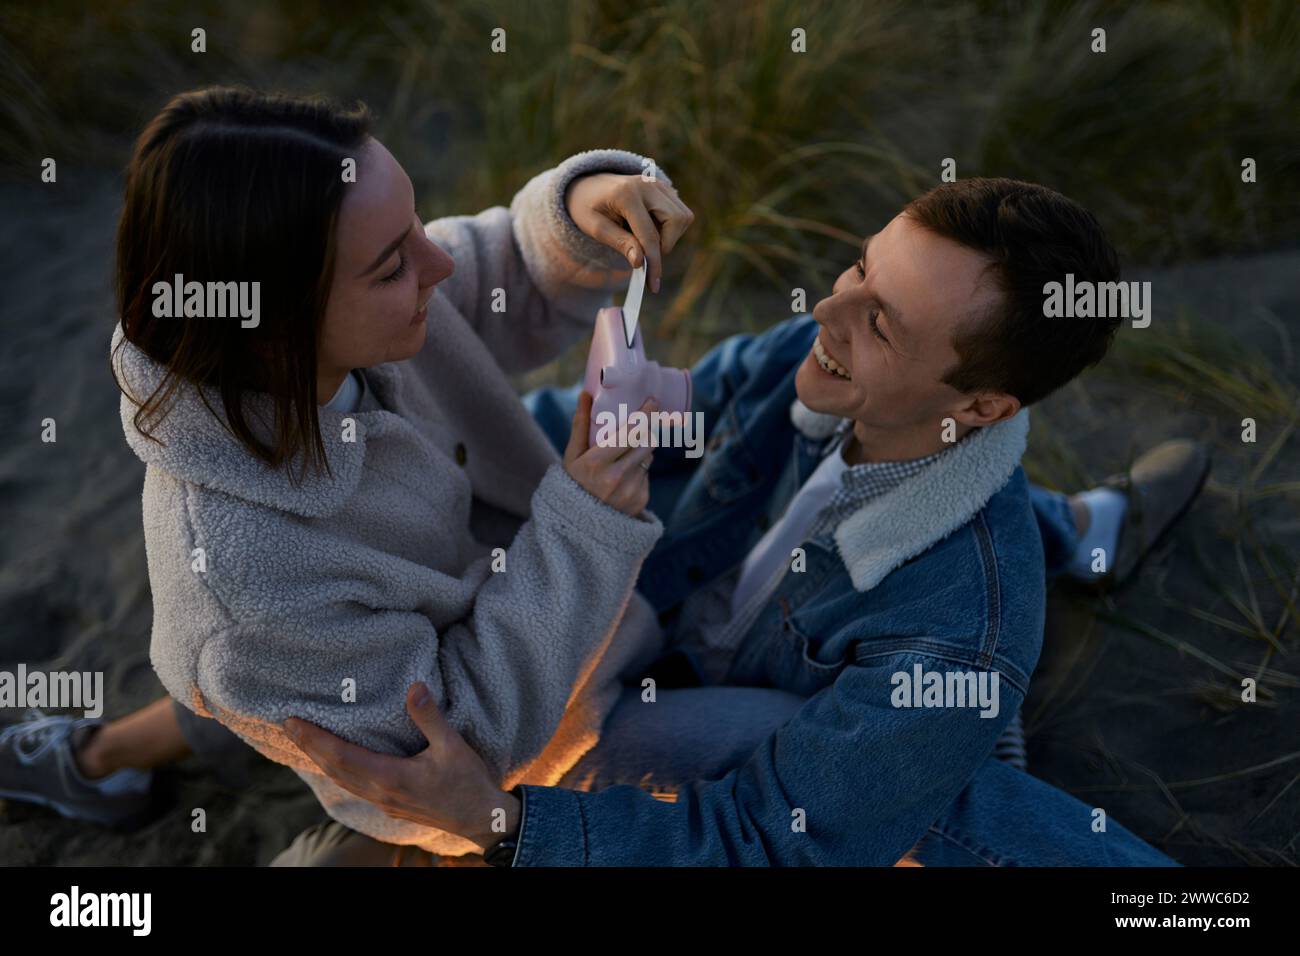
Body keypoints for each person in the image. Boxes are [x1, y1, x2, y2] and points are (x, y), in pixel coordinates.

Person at [281, 178, 1209, 866]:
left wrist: (503, 825)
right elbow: (666, 413)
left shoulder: (958, 633)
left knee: (941, 790)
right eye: (857, 266)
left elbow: (770, 838)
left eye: (881, 324)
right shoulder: (802, 362)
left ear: (982, 405)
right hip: (682, 618)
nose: (826, 312)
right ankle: (1081, 527)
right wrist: (471, 446)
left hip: (793, 695)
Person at [0, 86, 696, 854]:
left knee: (273, 679)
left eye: (413, 228)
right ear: (275, 329)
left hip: (370, 637)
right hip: (540, 721)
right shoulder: (247, 586)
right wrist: (588, 525)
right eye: (393, 263)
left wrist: (578, 216)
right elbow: (459, 754)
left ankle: (99, 758)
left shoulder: (330, 327)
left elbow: (494, 272)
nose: (434, 261)